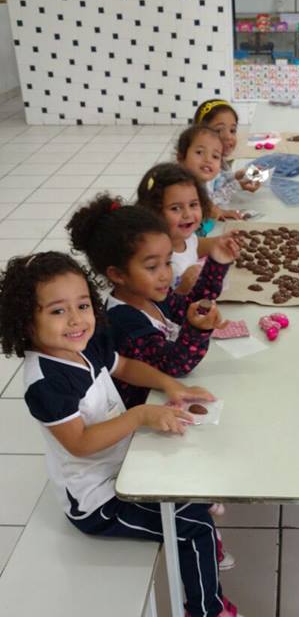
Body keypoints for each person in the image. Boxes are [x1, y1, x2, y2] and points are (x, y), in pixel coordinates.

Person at [0, 251, 253, 617]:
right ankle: (204, 615)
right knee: (193, 526)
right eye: (58, 311)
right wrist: (139, 416)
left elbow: (124, 366)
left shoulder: (84, 343)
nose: (76, 320)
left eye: (83, 305)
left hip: (125, 464)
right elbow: (80, 443)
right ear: (25, 321)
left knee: (196, 476)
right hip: (99, 499)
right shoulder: (45, 383)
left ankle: (204, 552)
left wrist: (172, 386)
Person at [66, 195, 235, 410]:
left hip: (168, 392)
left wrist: (217, 263)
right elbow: (174, 365)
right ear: (118, 274)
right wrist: (197, 330)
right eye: (152, 267)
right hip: (145, 412)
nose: (165, 275)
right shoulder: (123, 322)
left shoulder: (151, 294)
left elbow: (190, 306)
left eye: (168, 262)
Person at [137, 162, 239, 294]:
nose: (188, 214)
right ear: (154, 212)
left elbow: (196, 245)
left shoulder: (184, 237)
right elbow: (156, 302)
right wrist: (181, 289)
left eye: (193, 205)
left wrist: (219, 242)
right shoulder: (155, 259)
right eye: (175, 208)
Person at [176, 123, 245, 232]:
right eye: (199, 152)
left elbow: (208, 201)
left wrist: (218, 211)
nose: (208, 160)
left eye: (215, 156)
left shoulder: (204, 183)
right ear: (181, 158)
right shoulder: (178, 187)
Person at [193, 98, 260, 206]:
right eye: (218, 131)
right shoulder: (202, 168)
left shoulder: (219, 159)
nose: (229, 137)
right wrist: (237, 186)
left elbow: (220, 180)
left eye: (232, 130)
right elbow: (208, 203)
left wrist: (238, 175)